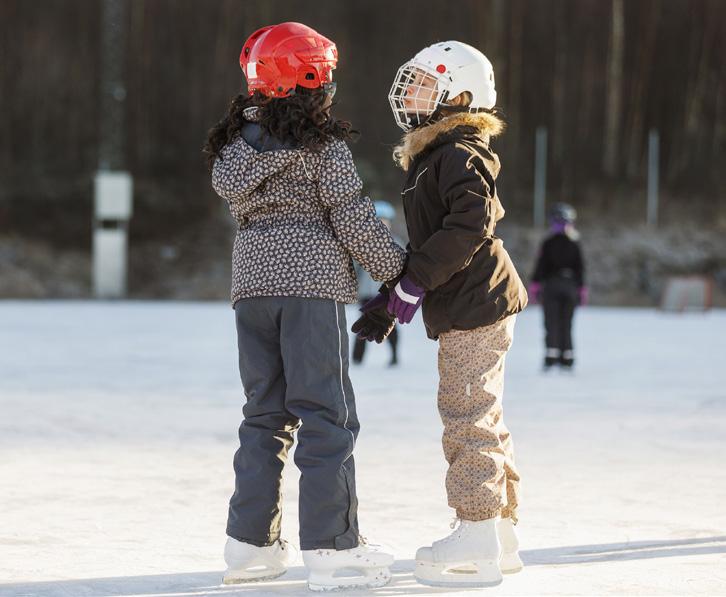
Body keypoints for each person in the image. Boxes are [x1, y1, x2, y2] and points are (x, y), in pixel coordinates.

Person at [204, 22, 405, 591]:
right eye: (327, 78)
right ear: (309, 82)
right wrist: (404, 273)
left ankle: (250, 546)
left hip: (252, 290)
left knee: (264, 415)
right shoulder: (323, 148)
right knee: (325, 415)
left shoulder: (234, 150)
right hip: (311, 288)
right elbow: (353, 221)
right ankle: (333, 548)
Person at [353, 41, 528, 587]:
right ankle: (500, 532)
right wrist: (391, 299)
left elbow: (471, 225)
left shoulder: (457, 153)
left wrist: (415, 282)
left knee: (466, 409)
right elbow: (435, 238)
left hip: (476, 300)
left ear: (461, 94)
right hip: (472, 298)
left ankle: (476, 530)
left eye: (424, 85)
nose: (410, 95)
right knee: (484, 414)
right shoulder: (436, 154)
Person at [529, 203, 587, 370]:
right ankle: (566, 358)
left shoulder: (548, 243)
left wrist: (535, 285)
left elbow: (541, 266)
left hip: (552, 286)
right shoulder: (574, 243)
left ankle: (551, 357)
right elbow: (580, 268)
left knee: (551, 323)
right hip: (570, 286)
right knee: (566, 323)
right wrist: (581, 289)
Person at [352, 200, 402, 367]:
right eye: (378, 221)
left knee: (389, 325)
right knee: (365, 323)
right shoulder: (365, 243)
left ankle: (394, 355)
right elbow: (356, 266)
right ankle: (357, 358)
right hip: (367, 292)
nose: (382, 225)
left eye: (385, 221)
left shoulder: (396, 242)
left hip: (388, 292)